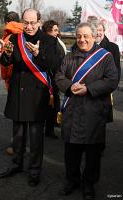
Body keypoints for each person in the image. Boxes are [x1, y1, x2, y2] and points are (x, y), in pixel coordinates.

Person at [55, 22, 118, 200]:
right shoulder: (69, 56)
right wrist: (69, 85)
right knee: (71, 152)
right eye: (79, 36)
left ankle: (89, 184)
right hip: (72, 112)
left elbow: (112, 79)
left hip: (94, 111)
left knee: (92, 154)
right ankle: (72, 180)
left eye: (85, 36)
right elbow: (59, 75)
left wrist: (88, 88)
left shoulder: (105, 57)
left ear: (93, 36)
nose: (82, 39)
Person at [0, 8, 57, 187]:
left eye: (33, 22)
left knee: (35, 136)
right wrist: (7, 55)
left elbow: (53, 65)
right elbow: (5, 62)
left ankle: (34, 170)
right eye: (26, 22)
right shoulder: (15, 39)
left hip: (37, 95)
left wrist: (38, 54)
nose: (29, 26)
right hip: (18, 92)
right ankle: (16, 164)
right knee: (17, 135)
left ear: (39, 22)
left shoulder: (49, 40)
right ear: (22, 22)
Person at [0, 11, 23, 155]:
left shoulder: (8, 37)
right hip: (28, 78)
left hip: (13, 78)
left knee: (17, 114)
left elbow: (5, 64)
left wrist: (5, 78)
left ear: (7, 22)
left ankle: (17, 147)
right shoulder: (26, 34)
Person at [42, 20, 66, 139]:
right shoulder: (49, 42)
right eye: (55, 30)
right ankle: (49, 129)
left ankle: (49, 127)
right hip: (50, 79)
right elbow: (54, 62)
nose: (58, 32)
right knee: (51, 105)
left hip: (52, 78)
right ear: (48, 30)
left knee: (52, 105)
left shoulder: (54, 41)